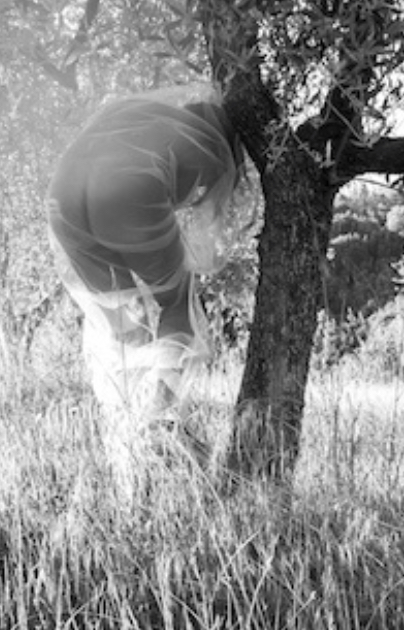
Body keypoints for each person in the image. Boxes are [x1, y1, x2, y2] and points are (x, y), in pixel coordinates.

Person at [47, 84, 252, 486]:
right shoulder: (214, 155)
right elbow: (204, 232)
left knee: (124, 323)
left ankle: (125, 440)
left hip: (62, 197)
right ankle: (156, 419)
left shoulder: (149, 118)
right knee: (178, 302)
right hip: (129, 193)